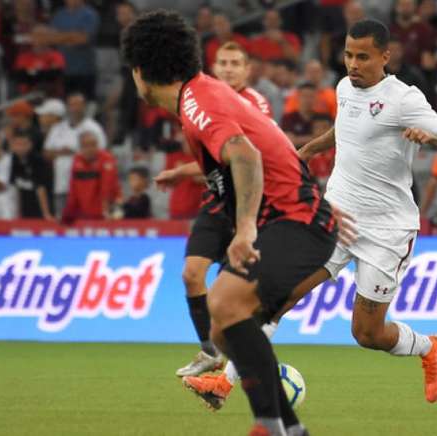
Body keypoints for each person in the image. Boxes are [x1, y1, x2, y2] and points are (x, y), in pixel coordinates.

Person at [122, 11, 339, 435]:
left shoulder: (197, 102)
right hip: (295, 217)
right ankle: (290, 430)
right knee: (224, 329)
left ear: (140, 73)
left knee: (223, 303)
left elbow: (245, 154)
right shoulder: (200, 96)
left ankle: (268, 427)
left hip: (296, 219)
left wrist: (244, 230)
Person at [297, 18, 437, 403]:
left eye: (363, 57)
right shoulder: (343, 87)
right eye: (348, 55)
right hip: (339, 217)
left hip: (387, 229)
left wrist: (432, 136)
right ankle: (225, 378)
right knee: (283, 293)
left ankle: (428, 347)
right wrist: (308, 150)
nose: (353, 64)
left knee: (367, 334)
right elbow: (344, 128)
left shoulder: (404, 99)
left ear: (385, 57)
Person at [169, 40, 275, 380]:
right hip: (214, 205)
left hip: (245, 209)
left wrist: (179, 172)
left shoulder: (254, 104)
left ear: (247, 70)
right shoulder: (205, 100)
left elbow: (245, 162)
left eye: (235, 63)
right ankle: (209, 352)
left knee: (232, 295)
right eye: (223, 63)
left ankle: (239, 361)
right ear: (214, 67)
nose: (229, 68)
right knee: (191, 274)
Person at [43, 92, 106, 215]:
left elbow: (101, 154)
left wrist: (76, 153)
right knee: (63, 225)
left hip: (87, 186)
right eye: (72, 104)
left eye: (78, 104)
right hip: (62, 185)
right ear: (67, 107)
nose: (75, 108)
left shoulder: (94, 128)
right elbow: (46, 153)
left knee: (85, 224)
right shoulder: (57, 128)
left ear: (84, 106)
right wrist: (61, 152)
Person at [34, 0, 100, 98]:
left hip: (85, 71)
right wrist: (71, 36)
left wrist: (60, 37)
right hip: (62, 71)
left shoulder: (90, 14)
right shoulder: (59, 15)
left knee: (85, 104)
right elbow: (49, 39)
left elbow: (83, 39)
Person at [62, 131, 120, 222]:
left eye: (94, 145)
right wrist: (68, 214)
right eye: (86, 146)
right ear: (80, 148)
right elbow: (73, 190)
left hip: (105, 214)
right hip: (83, 214)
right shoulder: (77, 161)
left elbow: (107, 188)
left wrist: (106, 213)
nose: (90, 149)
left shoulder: (107, 159)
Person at [9, 133, 53, 220]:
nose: (20, 148)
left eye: (23, 144)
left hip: (40, 207)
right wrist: (18, 213)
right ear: (12, 146)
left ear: (30, 145)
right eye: (17, 144)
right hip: (24, 207)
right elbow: (16, 188)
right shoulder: (11, 161)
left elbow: (41, 189)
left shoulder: (38, 161)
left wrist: (46, 214)